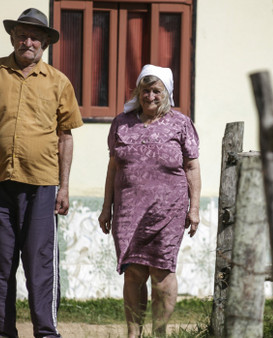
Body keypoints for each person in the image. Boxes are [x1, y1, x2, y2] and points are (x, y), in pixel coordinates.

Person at [0, 8, 83, 338]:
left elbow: (65, 136)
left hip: (43, 185)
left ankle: (46, 332)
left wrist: (64, 187)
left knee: (40, 265)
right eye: (21, 35)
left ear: (45, 42)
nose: (27, 41)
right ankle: (0, 333)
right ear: (12, 38)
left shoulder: (59, 82)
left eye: (34, 36)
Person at [98, 64, 201, 337]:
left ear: (166, 93)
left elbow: (192, 167)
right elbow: (113, 167)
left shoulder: (181, 123)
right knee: (133, 272)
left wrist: (195, 209)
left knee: (162, 271)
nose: (150, 96)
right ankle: (134, 333)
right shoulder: (122, 122)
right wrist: (106, 207)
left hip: (168, 211)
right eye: (145, 90)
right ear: (138, 92)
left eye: (157, 90)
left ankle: (159, 333)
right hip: (128, 210)